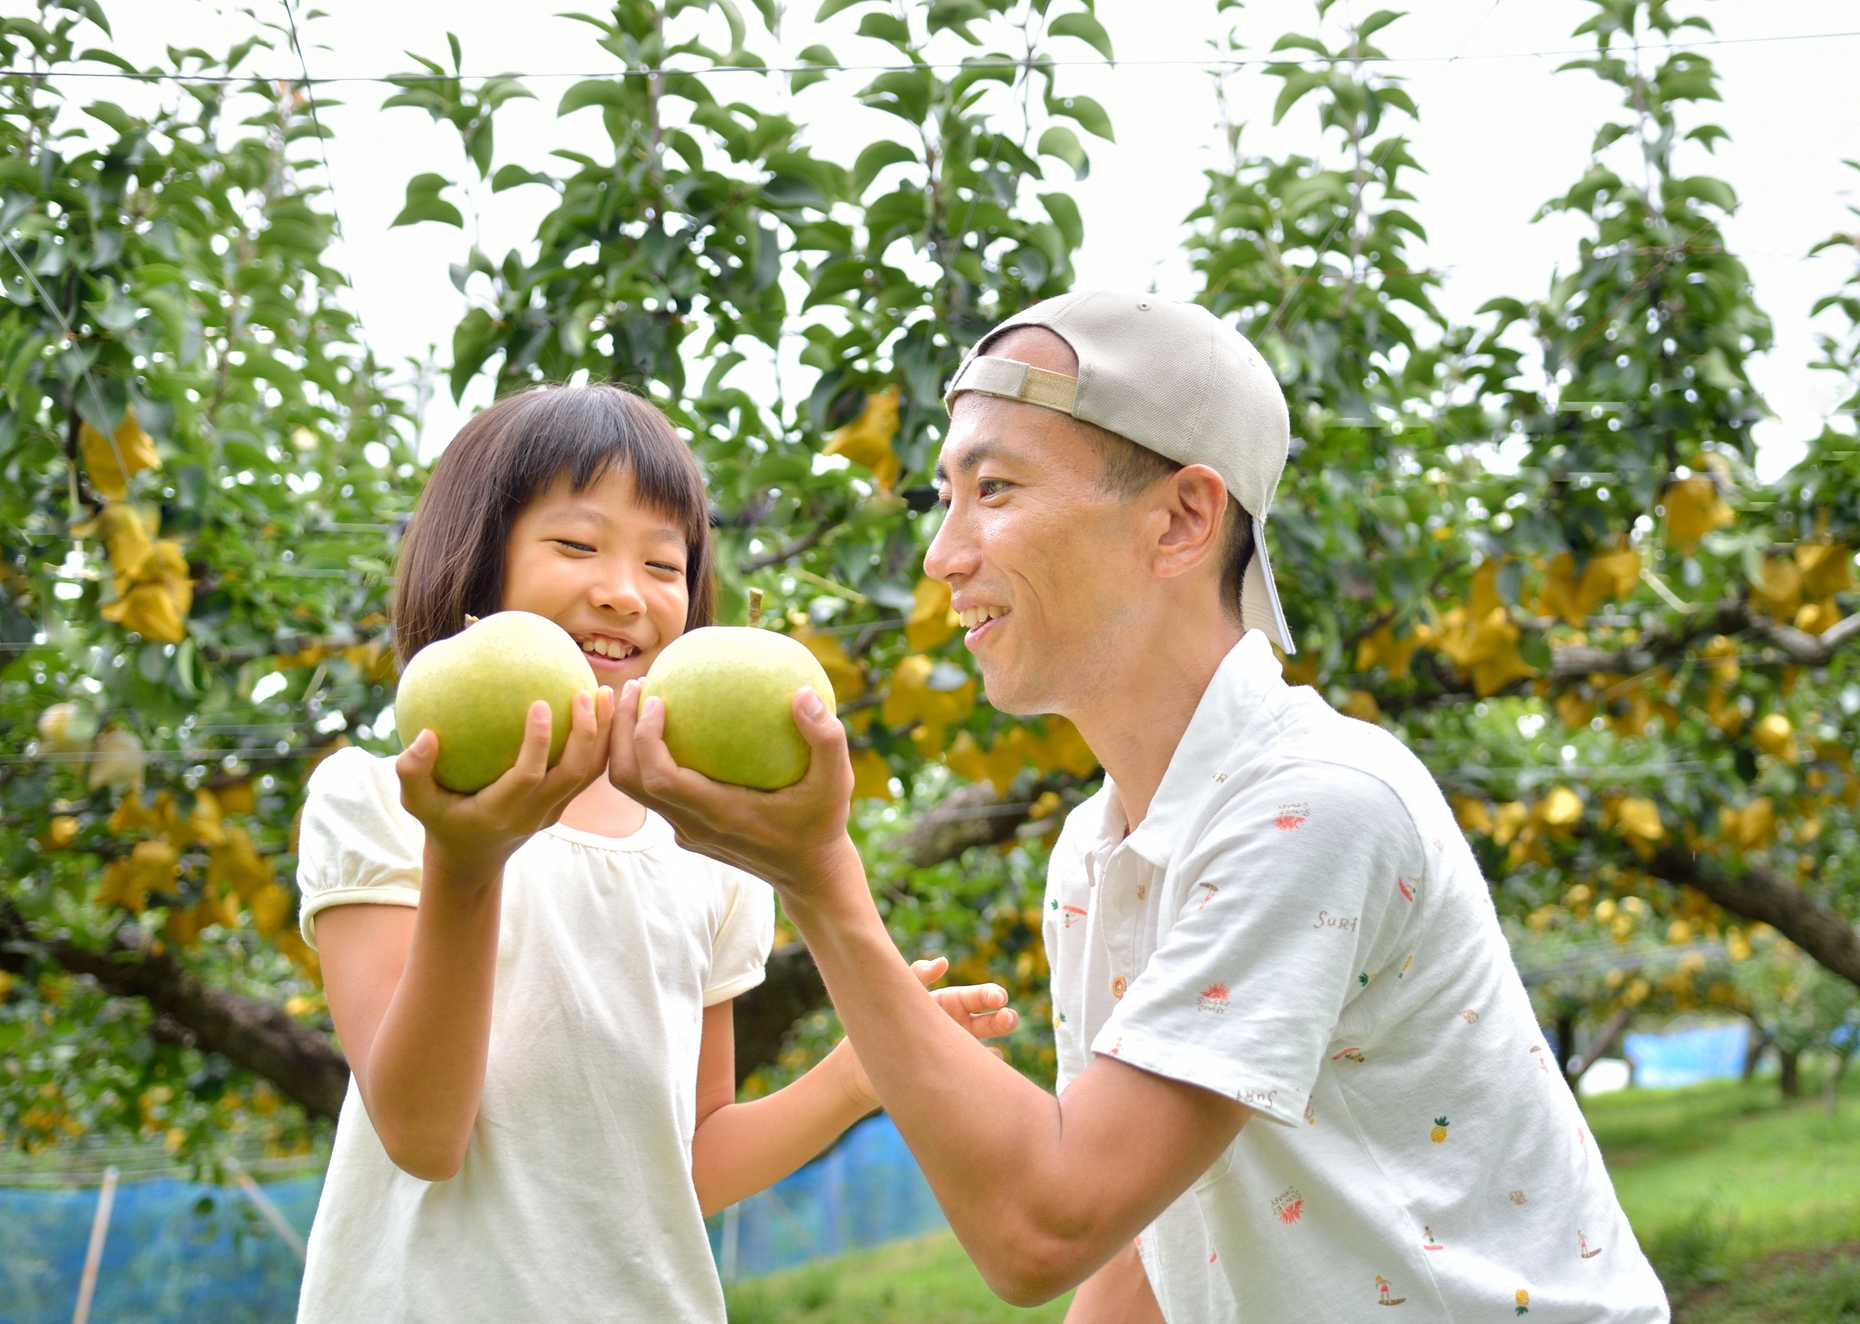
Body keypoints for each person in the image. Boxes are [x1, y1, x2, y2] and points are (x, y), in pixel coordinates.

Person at [609, 293, 1670, 1322]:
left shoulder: (1317, 807)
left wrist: (817, 877)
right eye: (945, 498)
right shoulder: (1092, 852)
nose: (942, 556)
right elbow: (1143, 1239)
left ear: (1180, 519)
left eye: (995, 490)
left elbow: (1044, 1225)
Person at [293, 384, 1013, 1324]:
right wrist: (467, 864)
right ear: (475, 569)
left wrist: (854, 1077)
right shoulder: (386, 801)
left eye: (664, 563)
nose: (624, 592)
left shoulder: (708, 852)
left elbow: (687, 1160)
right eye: (577, 545)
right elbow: (423, 1135)